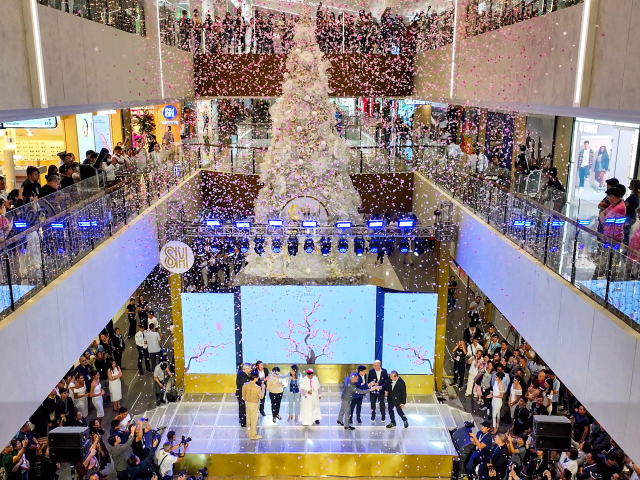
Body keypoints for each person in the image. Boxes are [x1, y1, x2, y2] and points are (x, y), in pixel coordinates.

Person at [242, 372, 265, 440]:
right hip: (254, 404)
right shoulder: (257, 388)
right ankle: (253, 435)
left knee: (248, 419)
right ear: (255, 378)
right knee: (254, 420)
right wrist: (263, 389)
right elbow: (261, 396)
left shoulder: (245, 385)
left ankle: (249, 432)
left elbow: (243, 395)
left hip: (247, 403)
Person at [236, 363, 252, 427]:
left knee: (242, 407)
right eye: (250, 368)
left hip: (240, 393)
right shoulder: (243, 376)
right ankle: (243, 422)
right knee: (243, 408)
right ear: (247, 368)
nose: (250, 369)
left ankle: (242, 419)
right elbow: (244, 386)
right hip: (242, 394)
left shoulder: (240, 373)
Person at [624, 179, 640, 245]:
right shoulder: (636, 196)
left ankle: (625, 250)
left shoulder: (633, 196)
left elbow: (624, 204)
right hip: (632, 217)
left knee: (626, 233)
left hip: (629, 216)